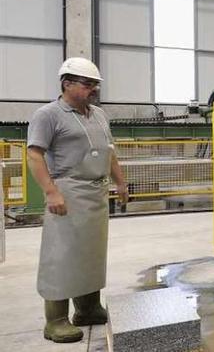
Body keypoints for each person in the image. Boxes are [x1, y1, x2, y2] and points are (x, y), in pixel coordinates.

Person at [26, 57, 129, 343]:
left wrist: (120, 183)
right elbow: (34, 154)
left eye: (95, 84)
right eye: (87, 83)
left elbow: (109, 152)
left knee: (91, 253)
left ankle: (87, 309)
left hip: (96, 193)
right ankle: (55, 320)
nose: (93, 89)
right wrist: (51, 192)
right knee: (61, 255)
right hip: (67, 193)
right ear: (66, 83)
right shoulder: (48, 115)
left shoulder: (98, 114)